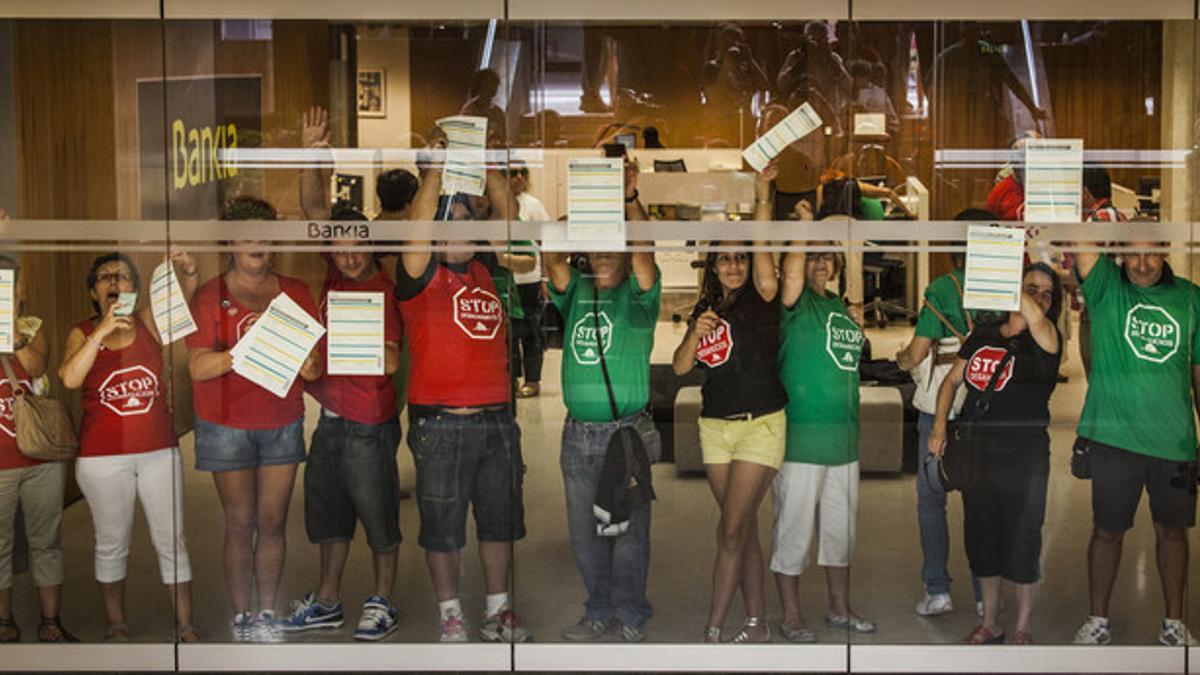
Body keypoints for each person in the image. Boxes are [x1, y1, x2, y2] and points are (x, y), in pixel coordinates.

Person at [396, 137, 530, 643]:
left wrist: (493, 165)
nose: (467, 232)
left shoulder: (487, 272)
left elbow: (510, 220)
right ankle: (450, 613)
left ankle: (499, 610)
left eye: (472, 225)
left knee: (500, 522)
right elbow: (416, 229)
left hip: (496, 419)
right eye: (454, 224)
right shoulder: (419, 275)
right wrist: (433, 170)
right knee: (443, 526)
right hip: (440, 422)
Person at [186, 197, 323, 642]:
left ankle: (267, 613)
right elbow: (197, 367)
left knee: (273, 522)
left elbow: (316, 367)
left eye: (265, 235)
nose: (257, 243)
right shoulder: (209, 294)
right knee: (240, 522)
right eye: (247, 235)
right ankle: (242, 615)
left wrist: (309, 367)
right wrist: (244, 353)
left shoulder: (296, 292)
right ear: (230, 243)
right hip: (225, 425)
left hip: (281, 419)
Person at [544, 161, 660, 643]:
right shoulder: (578, 293)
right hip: (578, 436)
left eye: (614, 242)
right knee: (585, 535)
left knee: (627, 535)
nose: (605, 251)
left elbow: (645, 254)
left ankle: (631, 611)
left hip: (624, 434)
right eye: (597, 244)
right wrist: (590, 210)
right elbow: (551, 252)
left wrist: (627, 200)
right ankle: (598, 608)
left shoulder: (640, 298)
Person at [58, 251, 199, 643]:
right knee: (111, 543)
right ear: (93, 291)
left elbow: (184, 296)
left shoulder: (149, 323)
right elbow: (70, 377)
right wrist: (101, 332)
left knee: (172, 539)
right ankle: (116, 624)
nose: (113, 283)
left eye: (122, 277)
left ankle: (186, 627)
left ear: (135, 289)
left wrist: (188, 270)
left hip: (158, 451)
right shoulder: (81, 332)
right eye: (104, 277)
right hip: (102, 458)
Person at [279, 206, 406, 641]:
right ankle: (328, 602)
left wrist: (352, 332)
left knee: (379, 517)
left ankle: (382, 600)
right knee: (329, 517)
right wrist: (314, 155)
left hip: (368, 424)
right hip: (329, 421)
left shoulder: (382, 289)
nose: (349, 258)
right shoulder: (336, 275)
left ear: (371, 245)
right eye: (340, 249)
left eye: (357, 249)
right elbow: (313, 207)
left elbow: (391, 359)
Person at [671, 163, 785, 643]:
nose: (734, 266)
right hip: (714, 427)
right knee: (743, 529)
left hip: (761, 424)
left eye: (741, 258)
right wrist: (694, 335)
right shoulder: (707, 309)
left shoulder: (762, 298)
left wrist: (762, 193)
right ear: (713, 267)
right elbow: (679, 368)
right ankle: (757, 623)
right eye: (725, 260)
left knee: (731, 529)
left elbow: (762, 257)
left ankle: (714, 627)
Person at [1070, 240, 1200, 646]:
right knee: (1107, 531)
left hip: (1173, 441)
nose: (1143, 264)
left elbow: (1198, 373)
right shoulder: (1108, 287)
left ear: (1167, 252)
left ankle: (1174, 623)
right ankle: (1098, 620)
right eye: (1134, 254)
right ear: (1120, 255)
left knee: (1174, 533)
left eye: (1153, 253)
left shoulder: (1191, 298)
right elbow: (1080, 238)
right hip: (1114, 438)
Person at [928, 264, 1062, 645]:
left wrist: (1005, 271)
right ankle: (991, 622)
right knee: (982, 536)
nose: (1038, 297)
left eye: (1047, 293)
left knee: (1023, 537)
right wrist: (939, 425)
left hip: (1026, 456)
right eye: (1030, 288)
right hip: (980, 453)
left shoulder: (1047, 339)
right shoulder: (984, 334)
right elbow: (952, 381)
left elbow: (1035, 316)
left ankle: (1022, 624)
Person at [895, 208, 994, 619]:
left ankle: (938, 590)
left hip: (940, 404)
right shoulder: (1001, 287)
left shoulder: (941, 288)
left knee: (931, 500)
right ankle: (984, 593)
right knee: (980, 502)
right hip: (985, 404)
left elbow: (917, 353)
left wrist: (901, 360)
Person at [772, 241, 873, 641]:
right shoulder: (793, 304)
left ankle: (839, 607)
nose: (820, 262)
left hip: (844, 439)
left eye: (828, 256)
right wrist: (804, 226)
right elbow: (794, 272)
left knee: (840, 533)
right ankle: (791, 615)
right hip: (802, 439)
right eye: (812, 254)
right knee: (792, 530)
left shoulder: (840, 306)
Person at [0, 255, 76, 643]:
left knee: (46, 541)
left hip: (38, 455)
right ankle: (4, 623)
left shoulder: (31, 327)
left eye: (8, 285)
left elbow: (33, 364)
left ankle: (50, 623)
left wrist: (7, 325)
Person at [508, 161, 550, 398]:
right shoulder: (499, 205)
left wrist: (544, 278)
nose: (518, 177)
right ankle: (512, 378)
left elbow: (545, 244)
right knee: (509, 335)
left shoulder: (533, 205)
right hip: (506, 281)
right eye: (513, 173)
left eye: (523, 173)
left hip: (529, 280)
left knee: (532, 333)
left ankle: (533, 380)